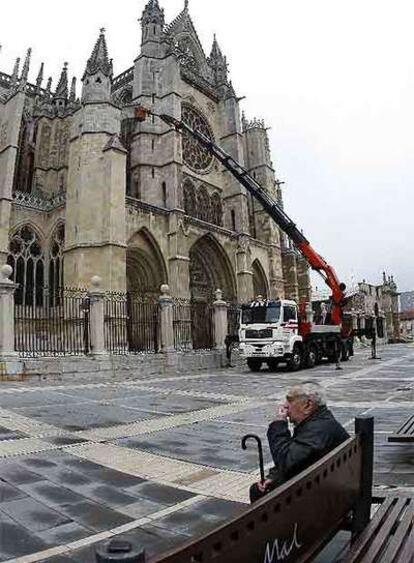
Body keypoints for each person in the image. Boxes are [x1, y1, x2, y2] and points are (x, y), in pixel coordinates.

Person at [249, 381, 350, 503]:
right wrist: (275, 477)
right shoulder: (320, 422)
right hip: (325, 488)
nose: (285, 406)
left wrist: (279, 423)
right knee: (262, 487)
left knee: (257, 491)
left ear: (307, 405)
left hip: (317, 500)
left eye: (290, 400)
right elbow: (300, 459)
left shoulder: (317, 430)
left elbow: (287, 462)